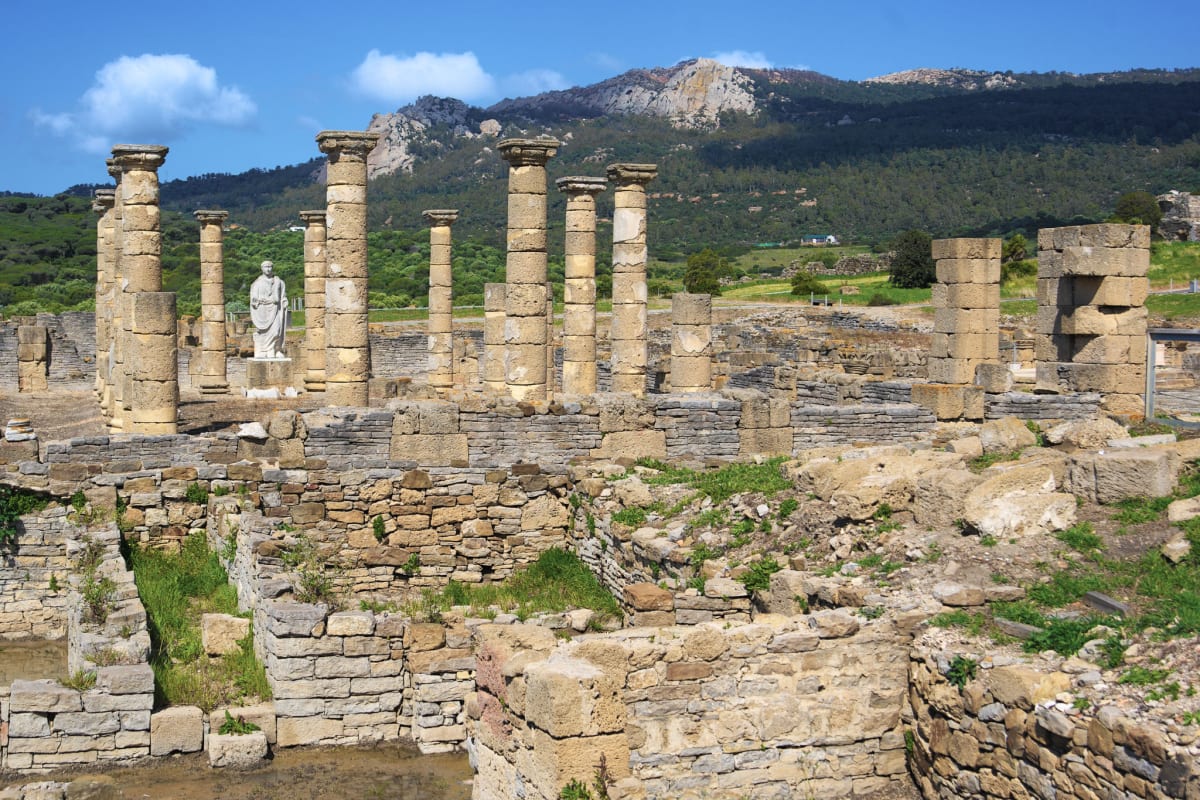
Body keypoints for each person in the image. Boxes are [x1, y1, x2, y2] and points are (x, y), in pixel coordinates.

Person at [249, 260, 287, 359]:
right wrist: (255, 301)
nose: (268, 269)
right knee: (262, 332)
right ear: (262, 269)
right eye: (266, 267)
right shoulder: (257, 283)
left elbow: (283, 296)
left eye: (270, 267)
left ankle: (275, 349)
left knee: (276, 331)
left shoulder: (279, 282)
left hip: (275, 309)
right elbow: (253, 299)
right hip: (262, 310)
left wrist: (284, 301)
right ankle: (264, 350)